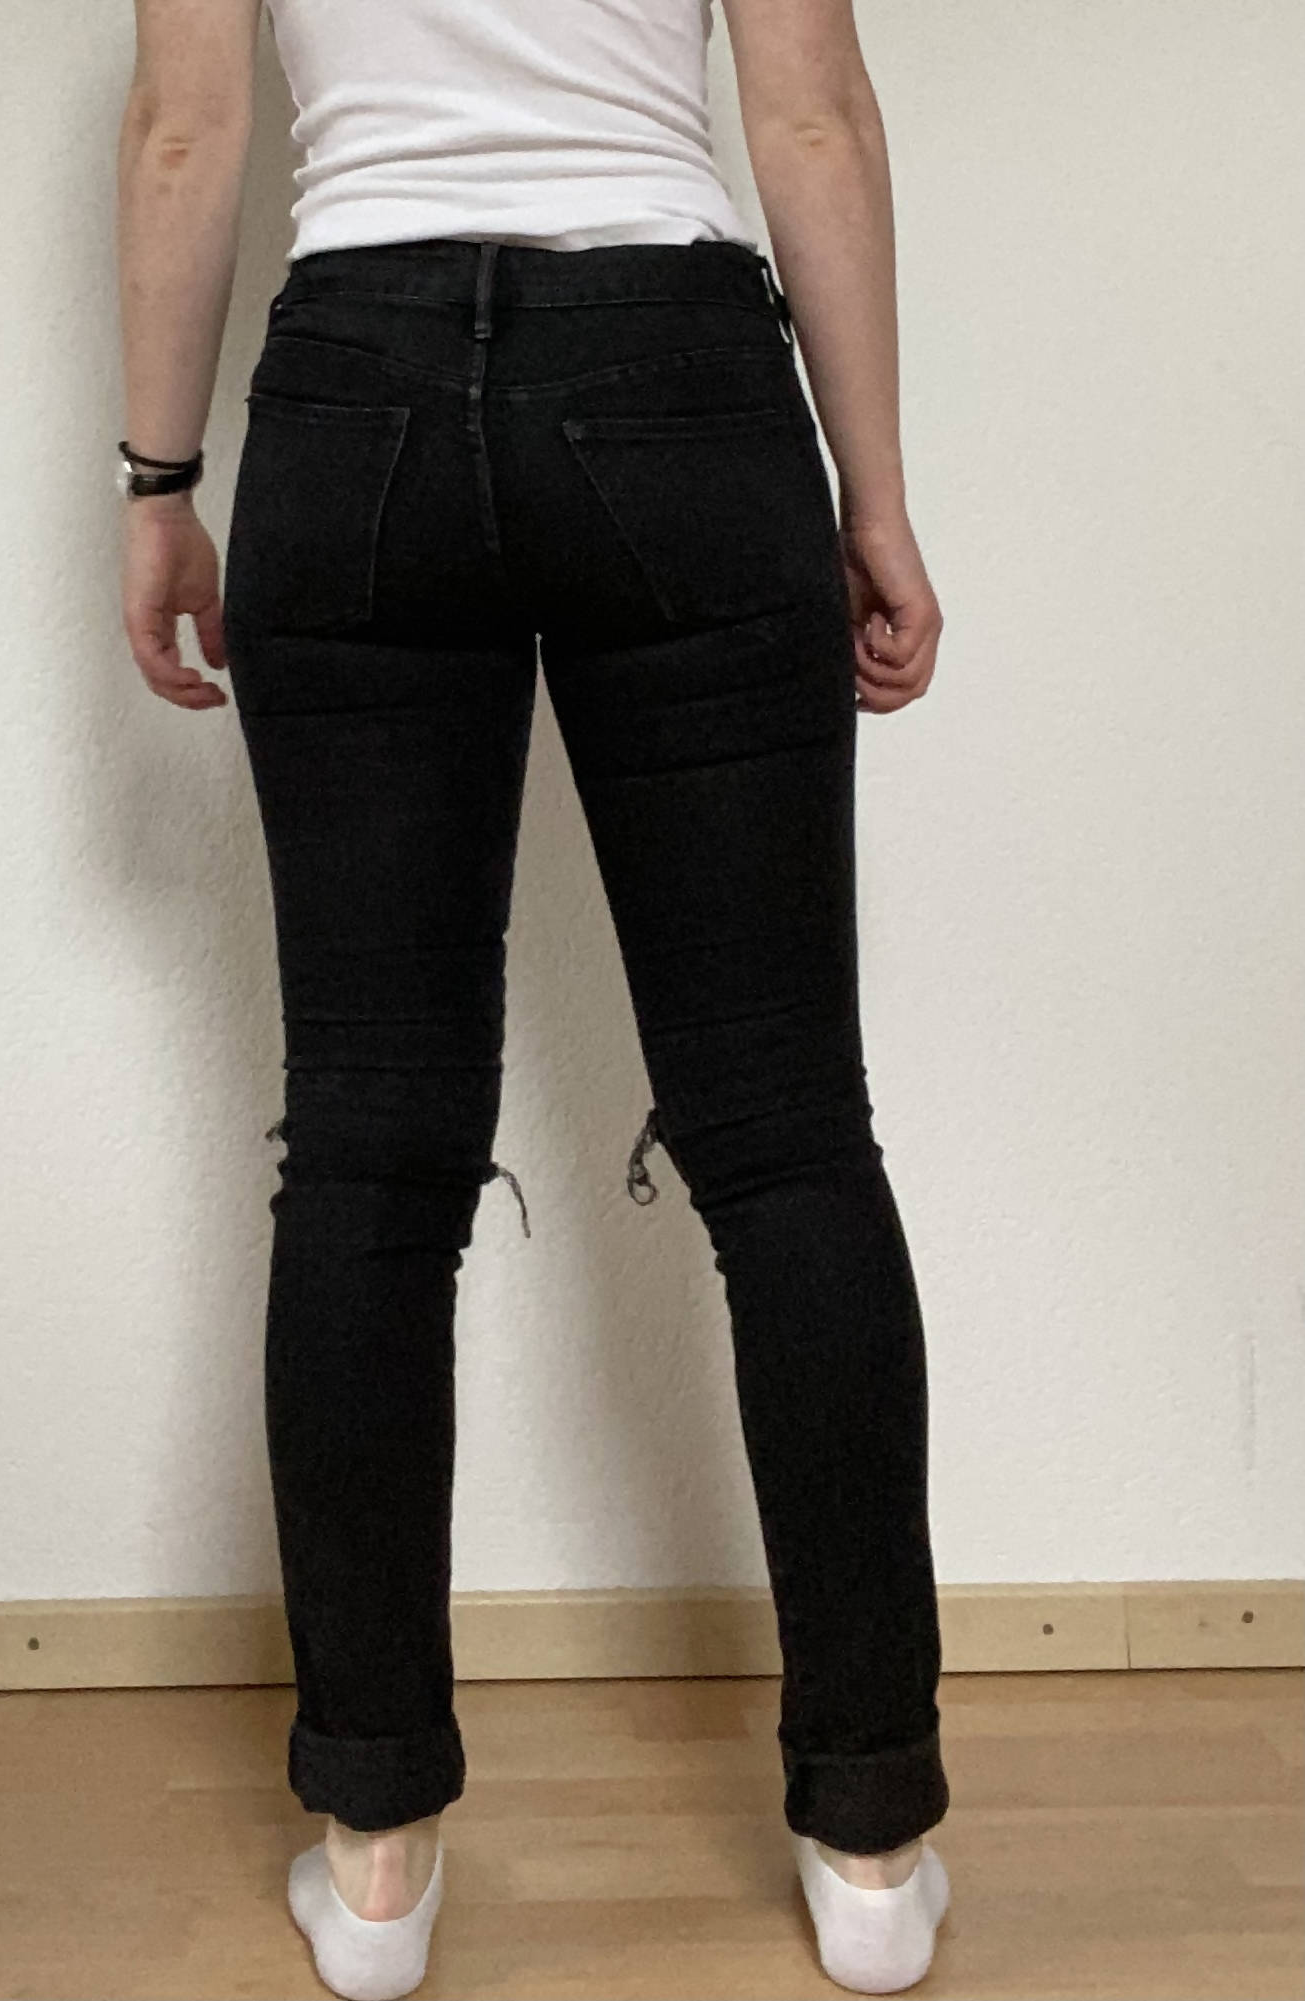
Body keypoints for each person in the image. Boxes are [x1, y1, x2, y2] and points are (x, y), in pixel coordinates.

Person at [116, 0, 950, 1992]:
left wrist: (158, 481)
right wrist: (873, 494)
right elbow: (813, 118)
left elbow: (183, 133)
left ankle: (376, 1858)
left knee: (368, 1152)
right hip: (677, 377)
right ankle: (869, 1846)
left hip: (355, 396)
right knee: (786, 1134)